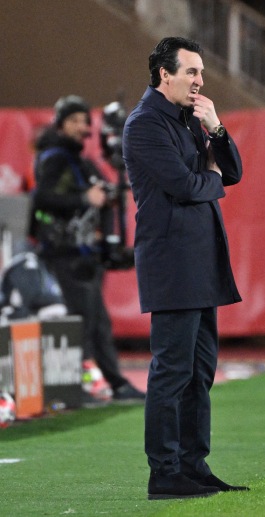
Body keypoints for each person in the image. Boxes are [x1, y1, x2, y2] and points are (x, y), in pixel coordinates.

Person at [122, 37, 247, 500]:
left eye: (201, 73)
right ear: (165, 74)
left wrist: (216, 128)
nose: (199, 81)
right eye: (191, 72)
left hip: (202, 261)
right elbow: (186, 186)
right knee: (172, 371)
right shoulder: (144, 124)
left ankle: (194, 466)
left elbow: (232, 173)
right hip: (173, 263)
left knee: (200, 372)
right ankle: (164, 473)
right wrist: (210, 175)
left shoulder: (191, 119)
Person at [30, 95, 145, 403]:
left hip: (84, 255)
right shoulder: (55, 158)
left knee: (95, 323)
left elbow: (103, 195)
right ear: (60, 125)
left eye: (84, 120)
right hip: (66, 255)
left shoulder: (80, 161)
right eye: (74, 120)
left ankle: (113, 383)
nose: (81, 127)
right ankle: (77, 386)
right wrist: (84, 199)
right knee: (80, 323)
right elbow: (42, 199)